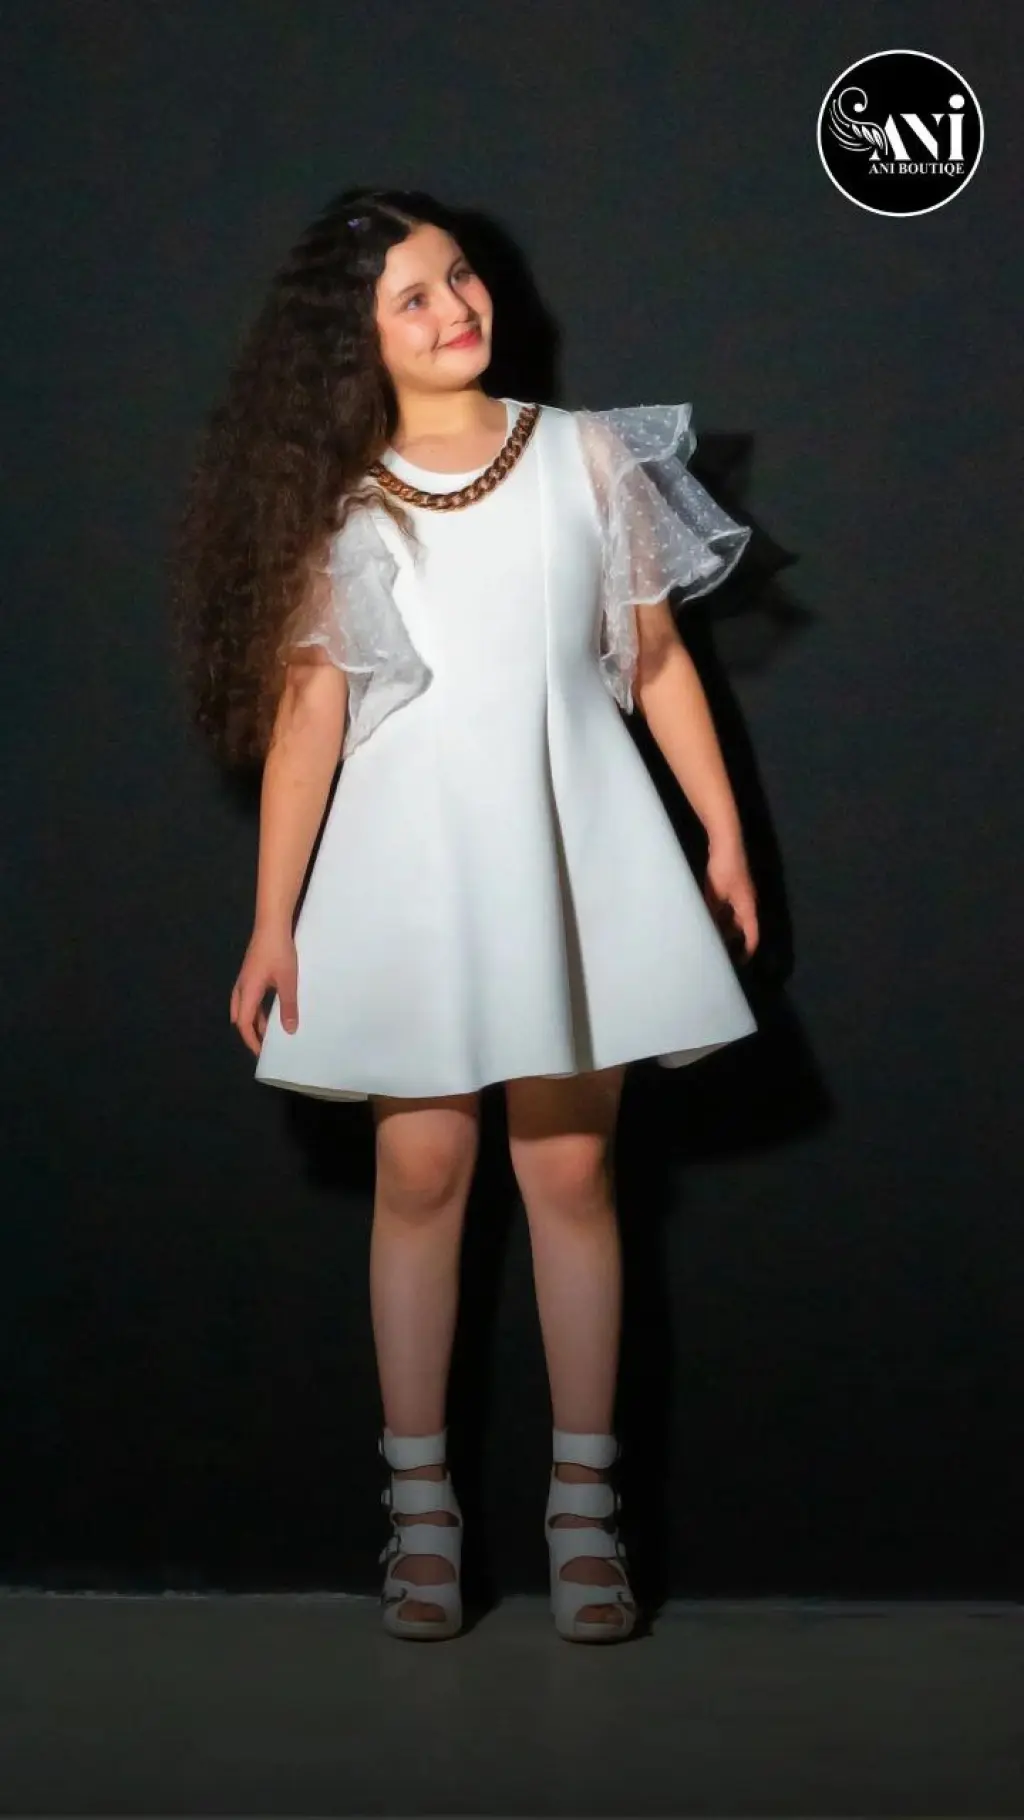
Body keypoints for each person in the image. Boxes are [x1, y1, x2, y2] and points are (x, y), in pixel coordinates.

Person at [172, 186, 760, 1646]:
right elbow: (312, 720)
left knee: (571, 1170)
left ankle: (584, 1513)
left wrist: (723, 833)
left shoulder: (584, 455)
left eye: (462, 276)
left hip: (573, 852)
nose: (455, 310)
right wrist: (272, 918)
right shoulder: (344, 501)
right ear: (357, 342)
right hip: (412, 866)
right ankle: (420, 1510)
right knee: (423, 1169)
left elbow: (655, 660)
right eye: (414, 299)